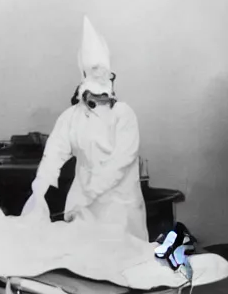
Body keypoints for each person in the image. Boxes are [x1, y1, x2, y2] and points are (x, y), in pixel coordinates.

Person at [21, 16, 149, 242]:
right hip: (82, 210)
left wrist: (89, 194)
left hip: (119, 208)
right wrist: (39, 191)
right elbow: (53, 155)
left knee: (118, 261)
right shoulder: (71, 118)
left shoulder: (123, 115)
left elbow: (120, 162)